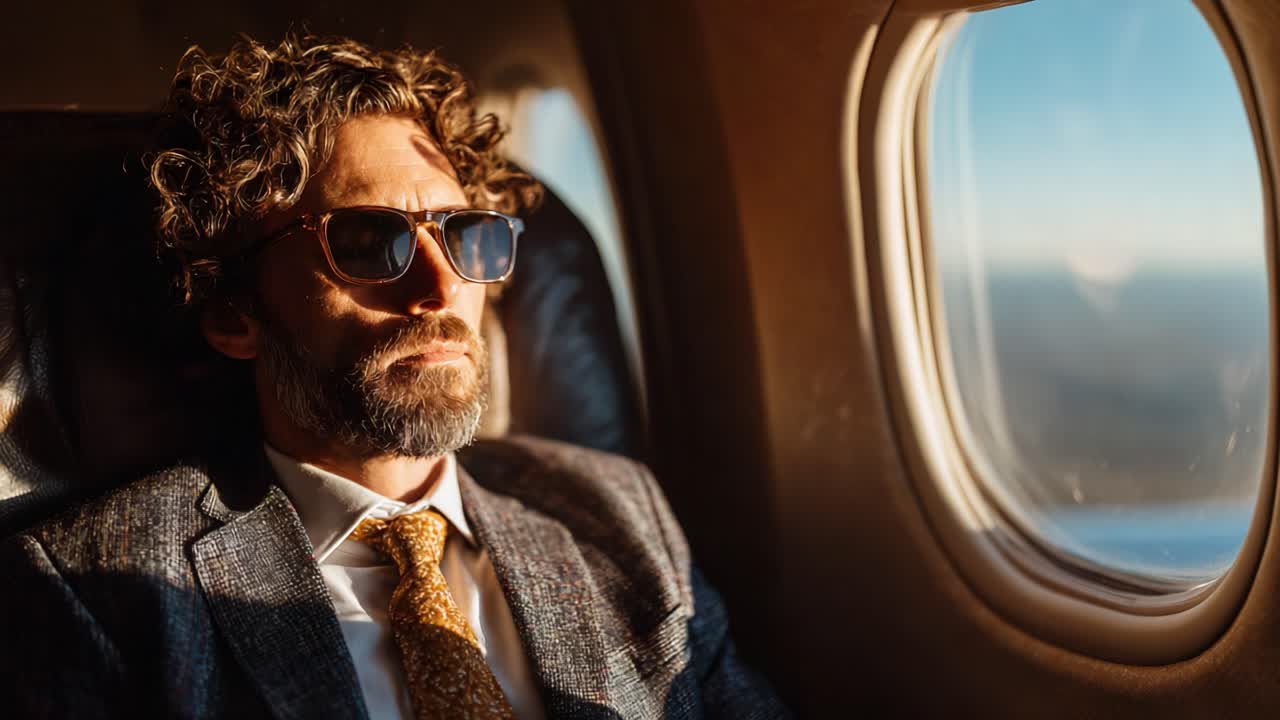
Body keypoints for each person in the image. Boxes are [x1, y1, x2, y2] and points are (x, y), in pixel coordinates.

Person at [0, 33, 788, 720]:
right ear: (234, 313)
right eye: (371, 242)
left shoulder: (621, 516)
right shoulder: (92, 588)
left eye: (468, 237)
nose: (440, 291)